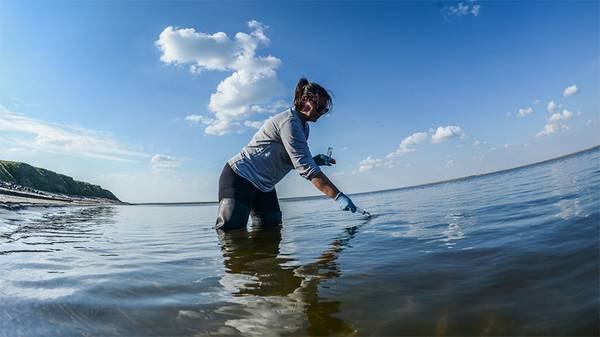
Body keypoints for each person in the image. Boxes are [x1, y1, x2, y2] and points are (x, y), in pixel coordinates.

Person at [215, 77, 357, 231]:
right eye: (319, 107)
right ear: (304, 100)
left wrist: (313, 160)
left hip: (265, 186)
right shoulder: (290, 122)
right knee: (231, 233)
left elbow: (294, 161)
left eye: (325, 109)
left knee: (272, 229)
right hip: (241, 177)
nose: (322, 112)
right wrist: (338, 196)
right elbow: (307, 169)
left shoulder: (304, 127)